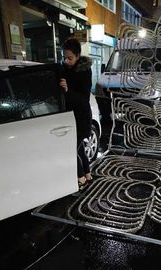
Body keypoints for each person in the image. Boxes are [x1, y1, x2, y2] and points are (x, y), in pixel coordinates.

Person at [59, 38, 93, 188]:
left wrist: (68, 91)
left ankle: (80, 178)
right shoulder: (64, 69)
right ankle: (87, 174)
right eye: (64, 57)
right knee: (79, 149)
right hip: (70, 118)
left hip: (81, 118)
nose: (66, 60)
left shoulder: (84, 71)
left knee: (71, 149)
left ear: (78, 56)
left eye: (70, 58)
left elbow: (84, 99)